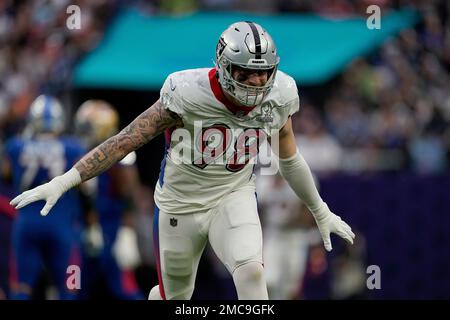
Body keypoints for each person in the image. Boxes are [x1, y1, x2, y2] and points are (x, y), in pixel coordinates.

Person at [9, 21, 355, 300]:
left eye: (264, 72)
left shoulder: (280, 94)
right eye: (246, 72)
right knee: (176, 296)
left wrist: (319, 210)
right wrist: (66, 180)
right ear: (222, 67)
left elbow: (289, 158)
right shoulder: (186, 92)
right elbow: (124, 141)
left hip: (233, 195)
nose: (257, 81)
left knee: (251, 271)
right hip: (179, 204)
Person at [4, 95, 86, 299]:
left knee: (21, 289)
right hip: (62, 225)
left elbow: (6, 173)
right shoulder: (72, 147)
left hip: (27, 224)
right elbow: (87, 189)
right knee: (69, 288)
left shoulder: (15, 145)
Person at [74, 100, 143, 300]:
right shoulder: (79, 151)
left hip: (112, 226)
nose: (84, 133)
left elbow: (129, 192)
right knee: (76, 284)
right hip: (84, 225)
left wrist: (127, 230)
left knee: (123, 286)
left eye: (88, 128)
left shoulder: (119, 154)